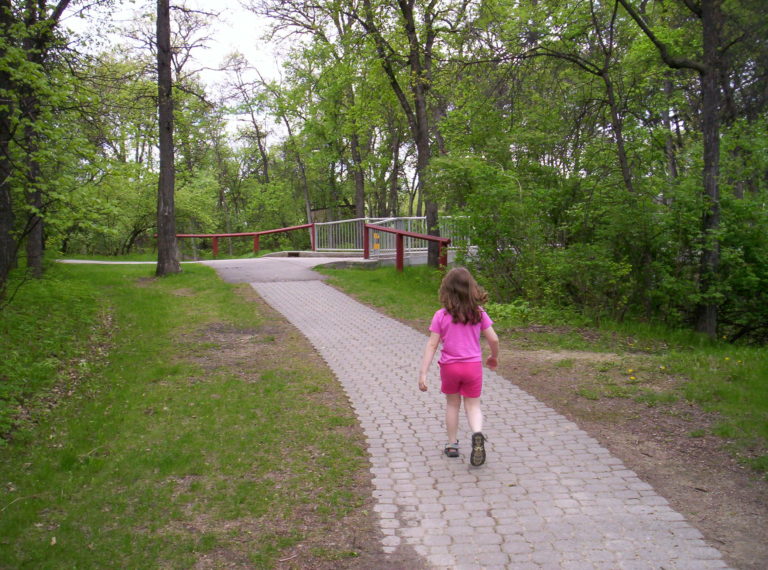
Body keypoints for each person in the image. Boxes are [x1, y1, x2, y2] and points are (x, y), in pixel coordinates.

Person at [418, 267, 499, 466]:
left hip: (450, 367)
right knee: (473, 405)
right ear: (471, 288)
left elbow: (432, 344)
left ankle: (452, 444)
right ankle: (477, 434)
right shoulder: (479, 313)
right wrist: (493, 356)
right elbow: (494, 339)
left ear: (446, 290)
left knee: (452, 404)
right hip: (472, 367)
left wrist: (423, 373)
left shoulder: (441, 315)